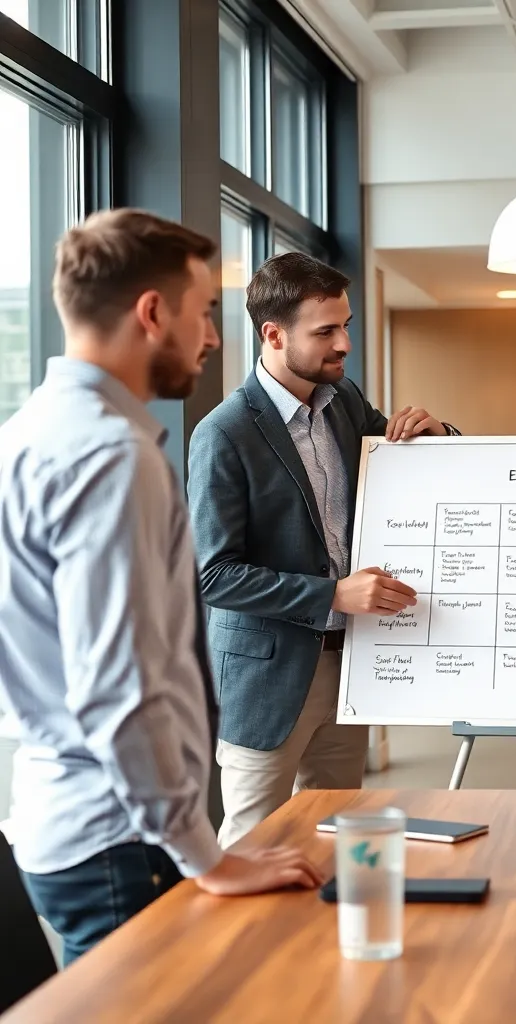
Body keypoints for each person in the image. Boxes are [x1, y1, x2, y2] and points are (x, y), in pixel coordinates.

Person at [0, 210, 324, 965]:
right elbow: (121, 687)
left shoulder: (26, 432)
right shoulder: (111, 458)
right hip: (121, 838)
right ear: (152, 313)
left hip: (59, 816)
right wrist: (204, 856)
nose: (213, 337)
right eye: (204, 311)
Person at [188, 253, 460, 848]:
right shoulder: (223, 434)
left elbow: (410, 466)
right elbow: (214, 575)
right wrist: (333, 593)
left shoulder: (345, 402)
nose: (345, 344)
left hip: (349, 664)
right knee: (255, 847)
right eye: (326, 332)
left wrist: (436, 433)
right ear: (273, 334)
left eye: (347, 325)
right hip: (267, 678)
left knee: (340, 837)